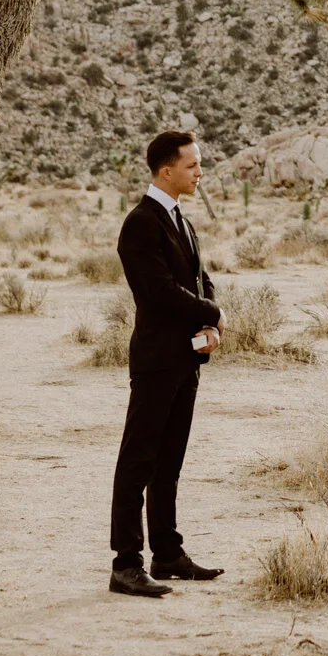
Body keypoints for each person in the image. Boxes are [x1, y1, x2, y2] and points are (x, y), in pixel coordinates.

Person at [109, 131, 226, 598]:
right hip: (156, 361)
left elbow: (201, 279)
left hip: (186, 358)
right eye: (192, 165)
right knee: (137, 462)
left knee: (169, 463)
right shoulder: (141, 223)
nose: (200, 172)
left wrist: (210, 321)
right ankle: (125, 564)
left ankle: (168, 553)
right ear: (166, 170)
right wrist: (211, 312)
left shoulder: (181, 220)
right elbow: (156, 291)